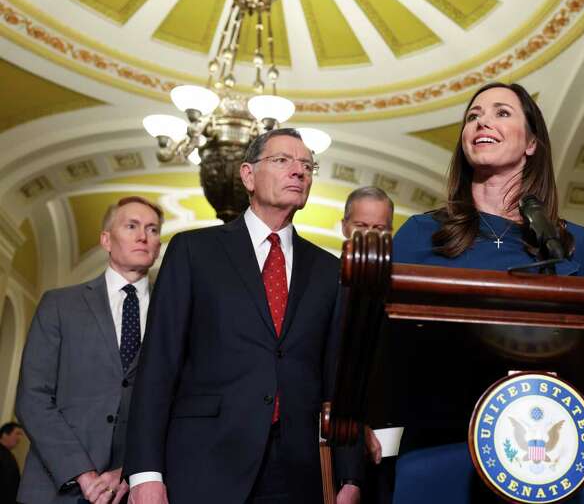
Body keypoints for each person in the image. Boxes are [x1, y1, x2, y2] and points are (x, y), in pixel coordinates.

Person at [388, 81, 584, 502]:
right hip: (440, 448)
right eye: (473, 116)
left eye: (502, 112)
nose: (482, 121)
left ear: (532, 143)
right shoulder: (420, 234)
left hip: (548, 458)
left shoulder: (572, 243)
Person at [124, 128, 362, 504]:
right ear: (248, 175)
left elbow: (338, 380)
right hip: (202, 463)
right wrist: (145, 473)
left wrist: (350, 475)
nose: (299, 172)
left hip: (295, 473)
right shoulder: (193, 251)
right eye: (283, 160)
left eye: (307, 165)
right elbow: (158, 366)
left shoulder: (330, 271)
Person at [15, 196, 163, 504]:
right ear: (106, 239)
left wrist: (129, 471)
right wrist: (83, 473)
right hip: (57, 488)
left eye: (152, 229)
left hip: (131, 490)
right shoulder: (59, 304)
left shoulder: (173, 312)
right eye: (132, 226)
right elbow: (33, 398)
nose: (142, 236)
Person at [340, 186, 394, 504]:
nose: (369, 237)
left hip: (392, 451)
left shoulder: (405, 295)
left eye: (380, 229)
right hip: (335, 443)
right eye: (361, 227)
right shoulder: (321, 285)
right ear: (345, 226)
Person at [1, 422, 23, 503]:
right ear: (5, 434)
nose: (19, 438)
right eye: (17, 433)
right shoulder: (3, 455)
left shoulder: (7, 455)